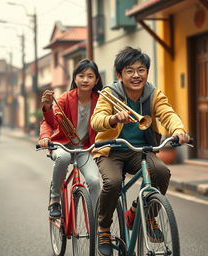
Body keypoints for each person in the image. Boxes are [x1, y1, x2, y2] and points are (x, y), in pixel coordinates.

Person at [91, 46, 190, 256]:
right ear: (120, 75)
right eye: (129, 70)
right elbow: (96, 121)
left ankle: (141, 212)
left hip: (141, 150)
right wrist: (113, 118)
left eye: (141, 69)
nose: (136, 75)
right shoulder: (109, 94)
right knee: (113, 183)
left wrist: (179, 130)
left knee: (161, 173)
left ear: (147, 71)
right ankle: (104, 229)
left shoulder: (153, 94)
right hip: (111, 150)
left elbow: (167, 113)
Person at [38, 59, 103, 218]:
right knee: (63, 157)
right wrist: (45, 136)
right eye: (81, 76)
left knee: (94, 182)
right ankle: (55, 199)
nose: (85, 80)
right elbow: (49, 122)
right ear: (74, 79)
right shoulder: (65, 99)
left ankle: (97, 225)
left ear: (96, 80)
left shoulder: (101, 101)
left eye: (90, 76)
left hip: (85, 148)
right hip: (63, 145)